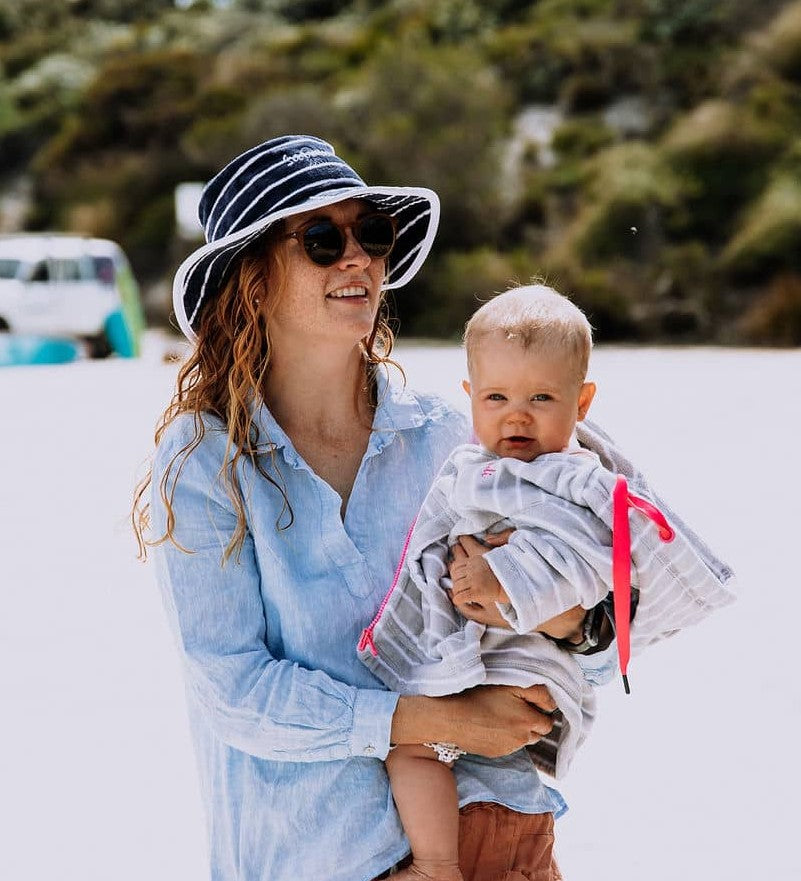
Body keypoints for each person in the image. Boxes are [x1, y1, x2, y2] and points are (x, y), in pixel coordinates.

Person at [133, 136, 589, 881]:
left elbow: (587, 624)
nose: (358, 258)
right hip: (317, 858)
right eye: (321, 240)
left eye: (370, 233)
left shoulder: (450, 436)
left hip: (499, 840)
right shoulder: (204, 461)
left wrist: (567, 619)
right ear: (252, 281)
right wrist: (440, 721)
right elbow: (234, 689)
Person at [358, 285, 736, 881]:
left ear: (581, 402)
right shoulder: (470, 462)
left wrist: (506, 578)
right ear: (470, 399)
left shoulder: (572, 477)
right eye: (497, 397)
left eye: (541, 397)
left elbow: (588, 565)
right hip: (483, 663)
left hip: (525, 668)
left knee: (415, 750)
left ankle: (435, 865)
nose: (517, 415)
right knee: (412, 750)